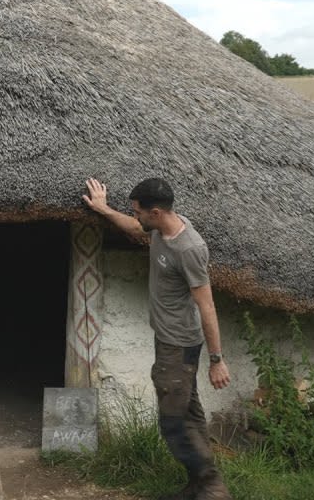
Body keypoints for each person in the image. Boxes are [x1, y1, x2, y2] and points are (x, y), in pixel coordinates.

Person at [82, 177, 232, 500]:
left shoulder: (189, 248)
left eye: (138, 212)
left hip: (178, 347)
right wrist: (104, 209)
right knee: (189, 414)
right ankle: (198, 486)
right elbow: (134, 229)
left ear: (156, 212)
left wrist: (217, 360)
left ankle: (213, 489)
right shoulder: (160, 231)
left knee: (173, 423)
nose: (135, 216)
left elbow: (206, 306)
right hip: (169, 342)